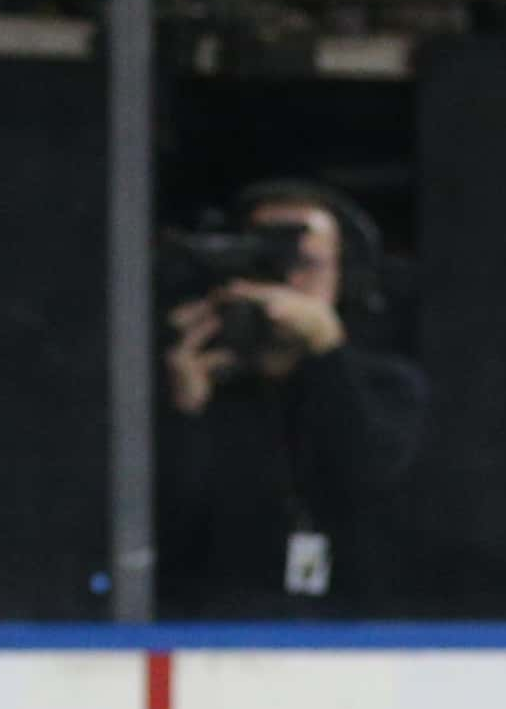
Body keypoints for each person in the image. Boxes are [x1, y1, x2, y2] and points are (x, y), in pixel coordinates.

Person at [156, 181, 428, 618]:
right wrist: (186, 412)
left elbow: (368, 477)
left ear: (346, 277)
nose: (286, 281)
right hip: (222, 637)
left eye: (306, 265)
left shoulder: (388, 385)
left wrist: (325, 344)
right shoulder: (203, 384)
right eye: (264, 262)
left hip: (357, 636)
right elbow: (164, 536)